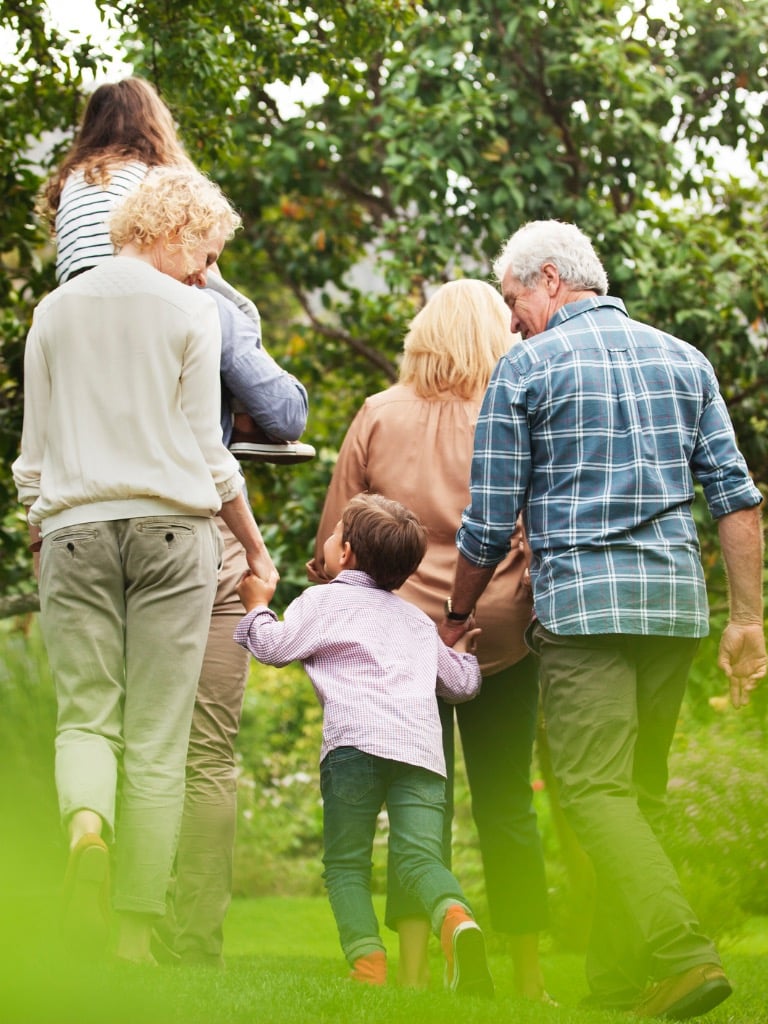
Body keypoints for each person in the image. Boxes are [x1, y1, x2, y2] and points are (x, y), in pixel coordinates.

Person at [443, 219, 766, 1020]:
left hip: (584, 611)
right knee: (637, 794)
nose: (510, 319)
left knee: (591, 789)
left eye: (514, 298)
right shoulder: (685, 360)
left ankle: (684, 955)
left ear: (550, 279)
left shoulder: (526, 368)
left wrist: (456, 611)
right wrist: (746, 619)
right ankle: (620, 987)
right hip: (674, 610)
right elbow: (735, 499)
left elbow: (489, 520)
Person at [12, 165, 276, 966]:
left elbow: (32, 458)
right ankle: (132, 943)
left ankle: (87, 834)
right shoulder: (192, 312)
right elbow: (208, 453)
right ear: (170, 231)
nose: (205, 272)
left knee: (85, 717)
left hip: (75, 531)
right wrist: (253, 544)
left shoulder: (53, 312)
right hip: (174, 534)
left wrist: (43, 526)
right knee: (161, 740)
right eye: (204, 252)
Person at [307, 279, 551, 998]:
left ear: (422, 335)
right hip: (496, 631)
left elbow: (332, 545)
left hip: (400, 642)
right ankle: (529, 980)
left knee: (419, 805)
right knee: (508, 801)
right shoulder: (515, 411)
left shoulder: (378, 414)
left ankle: (413, 974)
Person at [234, 493, 494, 997]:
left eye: (334, 534)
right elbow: (461, 686)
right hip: (420, 753)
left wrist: (258, 606)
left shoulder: (321, 602)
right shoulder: (416, 621)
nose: (329, 540)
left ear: (346, 552)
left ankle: (368, 964)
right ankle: (456, 919)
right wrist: (462, 654)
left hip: (353, 747)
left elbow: (272, 648)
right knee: (420, 860)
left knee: (347, 863)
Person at [38, 75, 311, 463]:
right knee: (237, 307)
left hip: (79, 299)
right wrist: (209, 274)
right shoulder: (155, 175)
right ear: (153, 123)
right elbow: (188, 247)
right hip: (141, 278)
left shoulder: (70, 181)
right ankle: (246, 420)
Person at [162, 275, 310, 968]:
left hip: (101, 533)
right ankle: (194, 942)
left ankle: (124, 934)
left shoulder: (70, 307)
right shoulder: (209, 304)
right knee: (209, 754)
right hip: (204, 528)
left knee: (127, 738)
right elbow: (283, 412)